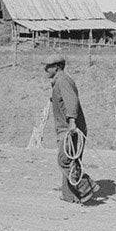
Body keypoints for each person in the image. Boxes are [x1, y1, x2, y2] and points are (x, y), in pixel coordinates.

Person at [43, 54, 94, 204]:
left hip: (69, 128)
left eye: (48, 66)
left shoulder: (63, 81)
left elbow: (72, 102)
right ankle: (69, 195)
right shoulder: (59, 81)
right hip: (65, 128)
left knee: (64, 160)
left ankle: (86, 186)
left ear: (57, 67)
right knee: (72, 161)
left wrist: (72, 122)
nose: (45, 69)